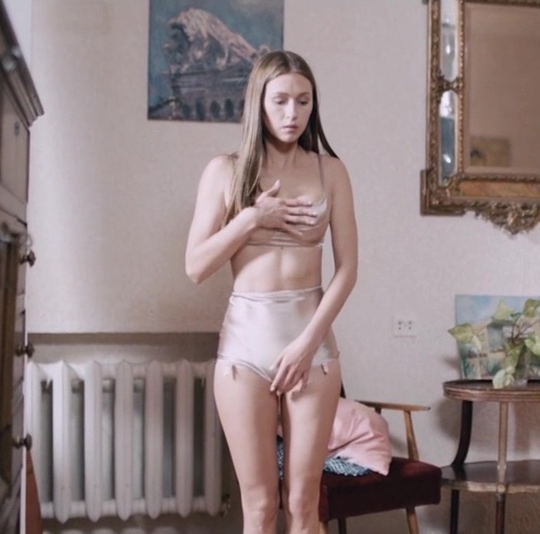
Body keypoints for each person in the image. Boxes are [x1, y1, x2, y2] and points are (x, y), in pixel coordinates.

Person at [185, 50, 357, 534]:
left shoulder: (331, 171)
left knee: (303, 504)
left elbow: (348, 269)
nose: (292, 113)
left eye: (303, 101)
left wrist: (306, 344)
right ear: (258, 103)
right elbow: (195, 267)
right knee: (259, 506)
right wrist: (251, 219)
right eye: (280, 100)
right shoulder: (225, 170)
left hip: (312, 346)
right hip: (244, 350)